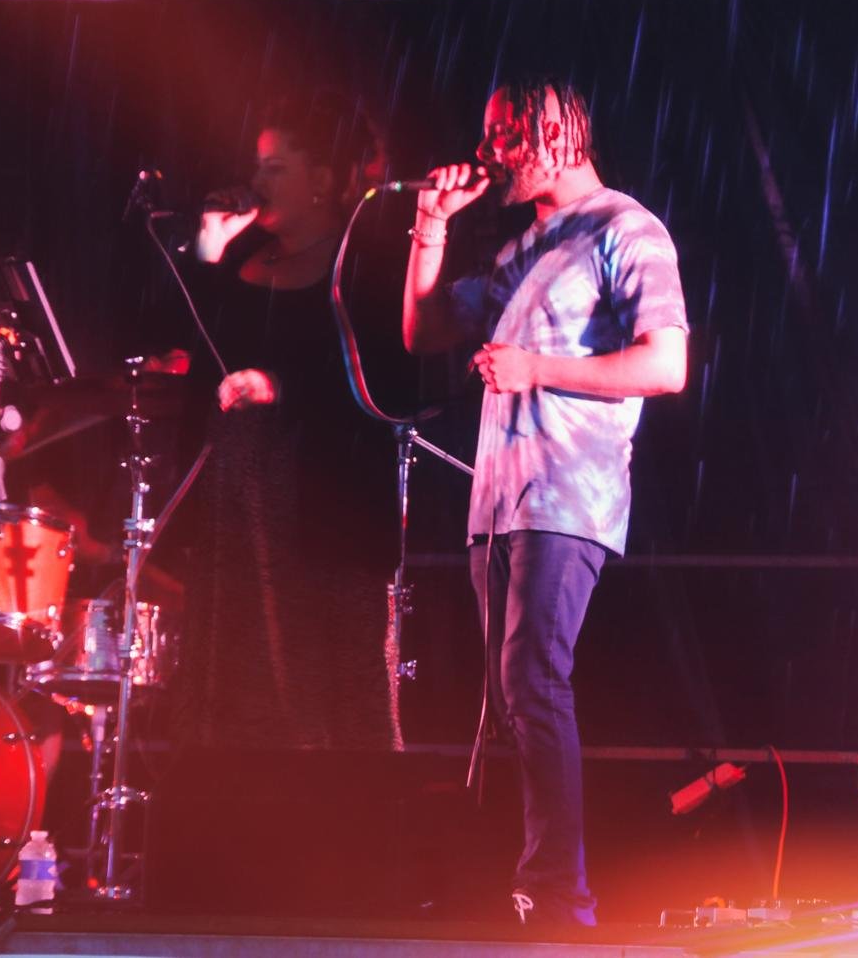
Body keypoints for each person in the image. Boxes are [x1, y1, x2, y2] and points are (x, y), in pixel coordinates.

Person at [401, 74, 688, 927]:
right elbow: (422, 331)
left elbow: (666, 365)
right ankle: (534, 883)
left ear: (558, 131)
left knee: (533, 677)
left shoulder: (627, 229)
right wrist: (430, 226)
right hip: (497, 500)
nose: (491, 151)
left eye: (508, 135)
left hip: (569, 495)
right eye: (489, 134)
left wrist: (536, 369)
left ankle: (559, 894)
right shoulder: (515, 252)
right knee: (510, 692)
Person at [167, 94, 401, 752]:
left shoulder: (361, 265)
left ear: (321, 180)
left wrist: (280, 387)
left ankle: (346, 798)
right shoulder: (241, 263)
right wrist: (209, 248)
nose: (256, 181)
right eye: (257, 167)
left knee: (330, 676)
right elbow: (191, 352)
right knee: (239, 671)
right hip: (237, 502)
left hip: (323, 505)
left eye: (275, 168)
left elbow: (381, 378)